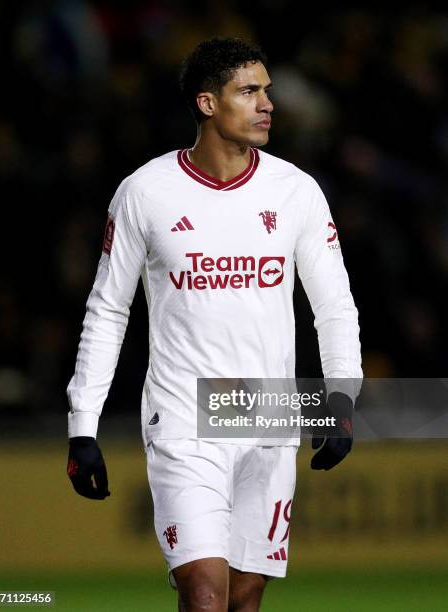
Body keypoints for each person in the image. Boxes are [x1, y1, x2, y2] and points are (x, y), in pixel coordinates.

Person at [66, 37, 362, 611]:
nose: (267, 104)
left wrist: (341, 399)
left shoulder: (296, 191)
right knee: (204, 595)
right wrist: (83, 424)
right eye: (249, 91)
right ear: (206, 103)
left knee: (242, 601)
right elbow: (107, 308)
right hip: (183, 418)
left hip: (269, 414)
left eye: (267, 91)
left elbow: (334, 304)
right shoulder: (145, 192)